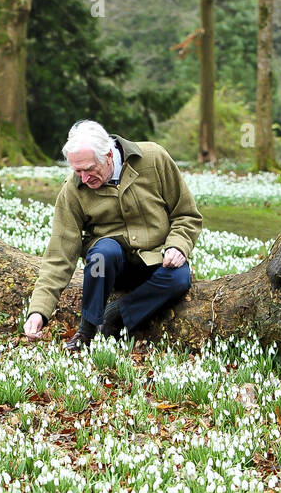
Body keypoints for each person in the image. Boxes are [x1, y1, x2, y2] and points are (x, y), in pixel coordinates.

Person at [23, 120, 202, 353]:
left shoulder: (154, 159)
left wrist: (178, 246)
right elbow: (60, 252)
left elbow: (186, 214)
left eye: (89, 169)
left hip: (156, 261)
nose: (84, 178)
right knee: (101, 254)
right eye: (77, 171)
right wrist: (39, 311)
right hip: (108, 269)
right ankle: (87, 330)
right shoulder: (73, 190)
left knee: (179, 279)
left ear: (108, 155)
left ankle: (115, 315)